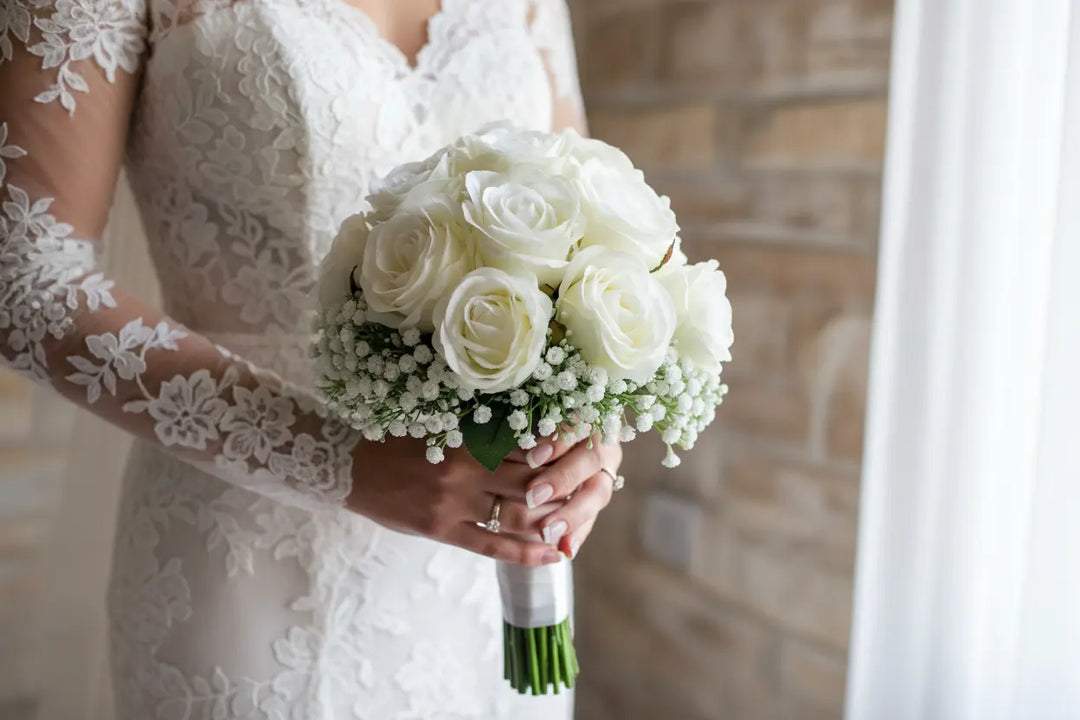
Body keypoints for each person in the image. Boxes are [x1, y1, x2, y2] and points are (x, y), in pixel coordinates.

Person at [0, 0, 622, 716]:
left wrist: (589, 434)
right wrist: (338, 459)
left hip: (484, 576)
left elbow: (589, 225)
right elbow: (26, 279)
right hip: (250, 557)